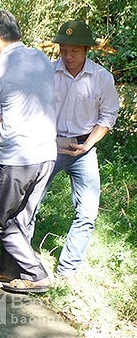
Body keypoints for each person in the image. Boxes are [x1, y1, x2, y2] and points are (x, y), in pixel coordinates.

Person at [31, 20, 119, 280]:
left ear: (86, 50)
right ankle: (18, 258)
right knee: (30, 202)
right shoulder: (47, 72)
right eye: (64, 50)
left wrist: (87, 145)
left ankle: (67, 270)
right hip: (49, 144)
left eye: (74, 51)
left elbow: (108, 116)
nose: (68, 56)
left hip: (84, 147)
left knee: (88, 211)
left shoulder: (101, 78)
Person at [0, 10, 57, 294]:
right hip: (46, 153)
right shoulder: (42, 59)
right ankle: (10, 268)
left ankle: (36, 273)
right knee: (23, 217)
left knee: (0, 220)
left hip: (16, 157)